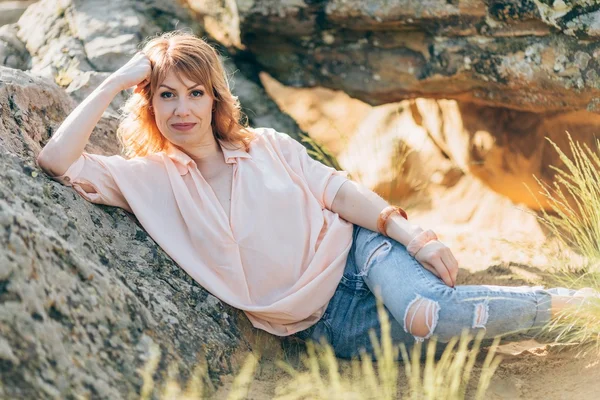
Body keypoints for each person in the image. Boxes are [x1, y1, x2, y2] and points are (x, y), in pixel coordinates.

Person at [36, 31, 596, 360]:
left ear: (213, 100)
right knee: (448, 341)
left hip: (361, 254)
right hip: (326, 324)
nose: (181, 109)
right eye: (166, 95)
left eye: (195, 93)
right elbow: (55, 162)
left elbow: (339, 192)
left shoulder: (265, 145)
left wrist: (412, 234)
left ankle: (580, 308)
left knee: (432, 314)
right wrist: (112, 81)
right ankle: (555, 319)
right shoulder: (147, 179)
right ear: (151, 105)